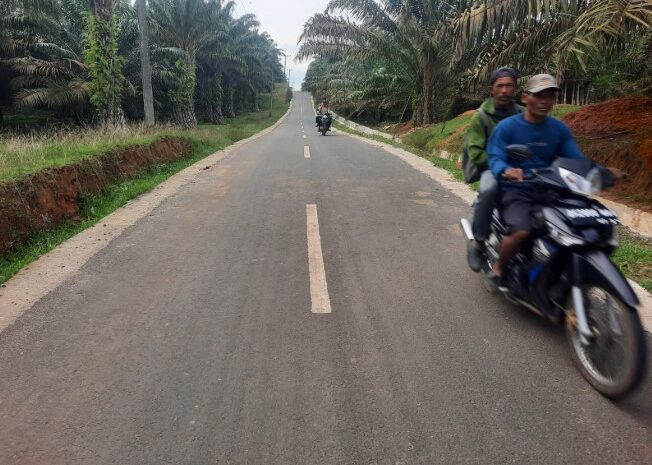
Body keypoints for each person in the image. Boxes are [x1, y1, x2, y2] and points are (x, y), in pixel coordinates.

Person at [484, 73, 614, 291]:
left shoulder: (559, 129)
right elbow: (495, 157)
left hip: (552, 190)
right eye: (539, 95)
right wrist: (507, 171)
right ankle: (498, 269)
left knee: (580, 229)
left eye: (550, 96)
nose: (544, 101)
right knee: (521, 230)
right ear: (525, 97)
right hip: (517, 191)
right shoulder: (506, 128)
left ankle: (559, 272)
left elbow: (576, 159)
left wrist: (603, 173)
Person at [466, 67, 523, 272]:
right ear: (492, 89)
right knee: (489, 189)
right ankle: (478, 242)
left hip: (520, 168)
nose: (505, 90)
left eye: (509, 85)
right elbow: (475, 152)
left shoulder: (522, 114)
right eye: (500, 86)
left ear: (515, 88)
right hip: (490, 167)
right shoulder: (481, 117)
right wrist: (502, 167)